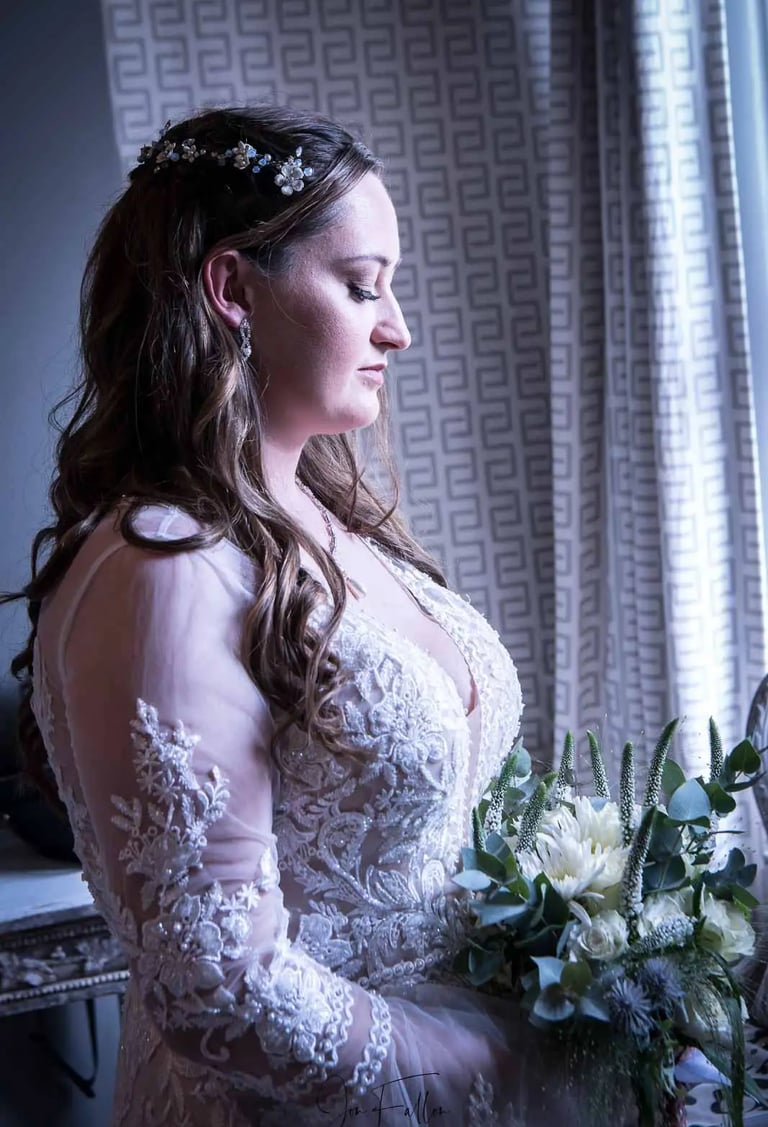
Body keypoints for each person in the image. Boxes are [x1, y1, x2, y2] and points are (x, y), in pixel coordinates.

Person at [2, 105, 624, 1126]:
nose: (399, 326)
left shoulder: (330, 520)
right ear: (233, 287)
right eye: (360, 283)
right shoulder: (164, 564)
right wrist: (497, 1057)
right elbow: (221, 986)